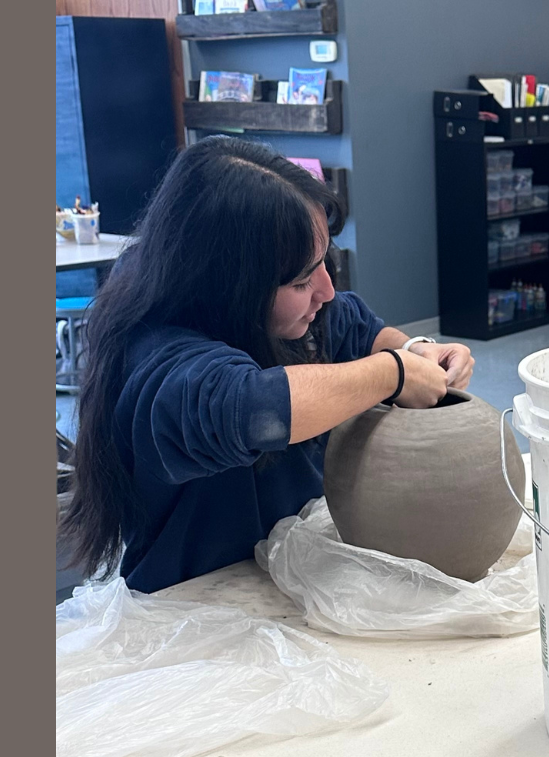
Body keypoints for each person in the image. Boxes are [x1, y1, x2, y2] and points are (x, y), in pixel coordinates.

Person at [60, 136, 475, 594]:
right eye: (301, 280)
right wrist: (391, 373)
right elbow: (253, 409)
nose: (325, 290)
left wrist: (414, 350)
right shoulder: (158, 357)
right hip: (195, 608)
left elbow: (353, 325)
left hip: (292, 581)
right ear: (229, 285)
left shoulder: (287, 315)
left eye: (324, 263)